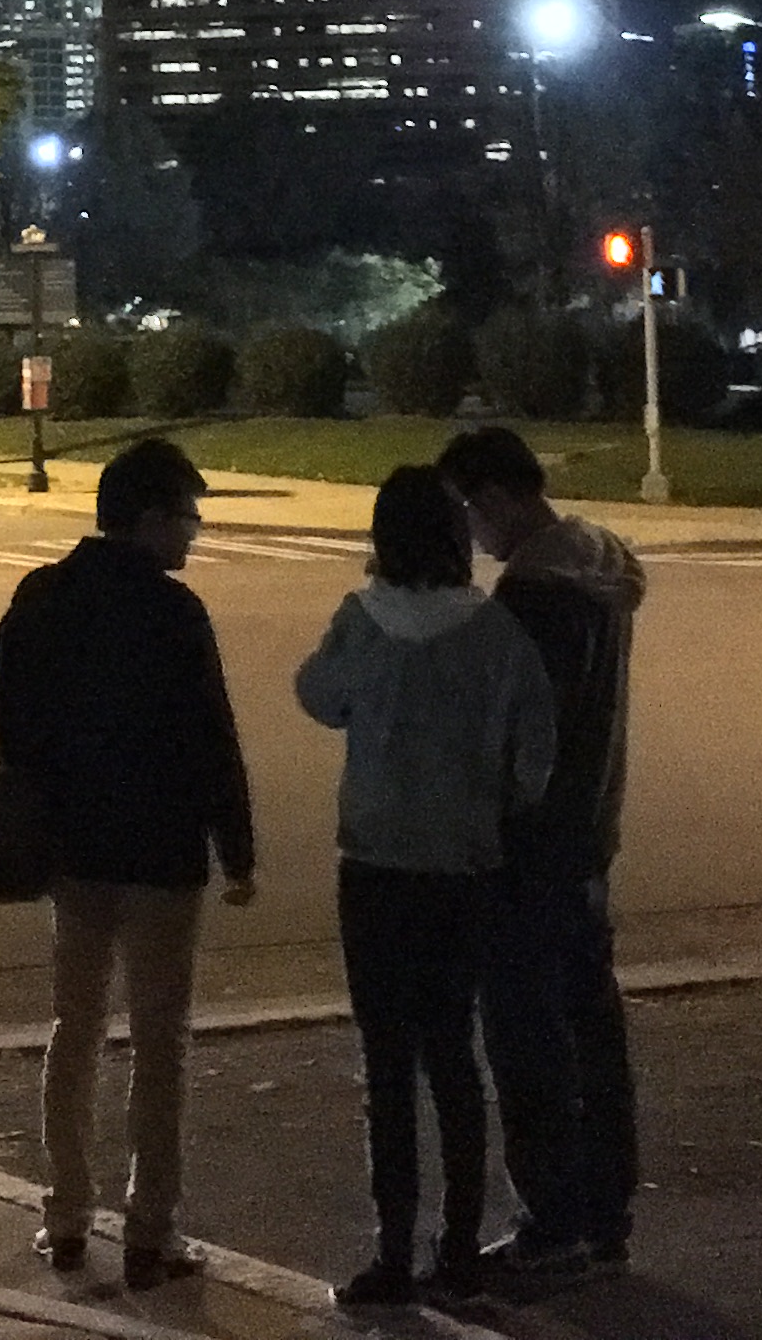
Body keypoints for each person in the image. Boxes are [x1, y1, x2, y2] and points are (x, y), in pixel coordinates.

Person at [0, 432, 257, 1286]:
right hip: (162, 853)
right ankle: (151, 1230)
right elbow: (213, 737)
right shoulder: (175, 613)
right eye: (186, 516)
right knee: (158, 1041)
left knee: (74, 1028)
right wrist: (237, 849)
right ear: (147, 519)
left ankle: (66, 1215)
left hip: (74, 849)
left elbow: (8, 720)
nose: (193, 532)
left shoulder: (43, 596)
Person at [295, 464, 555, 1307]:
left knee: (387, 1064)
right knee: (452, 1055)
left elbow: (318, 696)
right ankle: (461, 1245)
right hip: (462, 867)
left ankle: (392, 1251)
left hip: (375, 863)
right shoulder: (496, 632)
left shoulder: (361, 619)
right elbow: (534, 755)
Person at [442, 424, 649, 1274]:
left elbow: (512, 740)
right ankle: (604, 1209)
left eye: (468, 512)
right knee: (591, 1029)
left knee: (526, 1039)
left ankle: (553, 1219)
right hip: (587, 837)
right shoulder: (600, 575)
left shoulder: (529, 602)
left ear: (495, 498)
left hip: (525, 851)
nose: (470, 534)